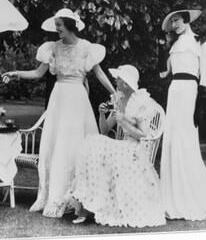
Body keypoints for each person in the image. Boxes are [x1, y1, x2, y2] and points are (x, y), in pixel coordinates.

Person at [2, 8, 115, 217]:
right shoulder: (52, 48)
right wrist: (16, 73)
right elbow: (38, 72)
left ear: (70, 26)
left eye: (60, 27)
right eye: (56, 27)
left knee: (76, 145)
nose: (57, 31)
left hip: (78, 99)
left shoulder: (86, 48)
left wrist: (115, 93)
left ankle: (79, 198)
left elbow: (99, 74)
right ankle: (55, 197)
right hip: (59, 98)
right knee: (57, 145)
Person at [68, 65, 166, 227]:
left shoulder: (141, 102)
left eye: (119, 79)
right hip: (121, 146)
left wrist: (124, 121)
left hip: (134, 147)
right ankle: (87, 205)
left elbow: (142, 135)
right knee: (93, 143)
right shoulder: (118, 99)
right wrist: (101, 114)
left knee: (100, 149)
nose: (116, 81)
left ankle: (92, 207)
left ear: (126, 83)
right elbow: (104, 130)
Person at [159, 8, 206, 220]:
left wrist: (201, 98)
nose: (175, 25)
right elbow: (164, 73)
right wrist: (161, 51)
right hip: (174, 91)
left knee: (185, 138)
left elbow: (204, 73)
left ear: (185, 20)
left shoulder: (199, 42)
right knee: (173, 138)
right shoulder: (173, 45)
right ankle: (172, 196)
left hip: (189, 91)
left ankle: (193, 195)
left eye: (177, 20)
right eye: (172, 22)